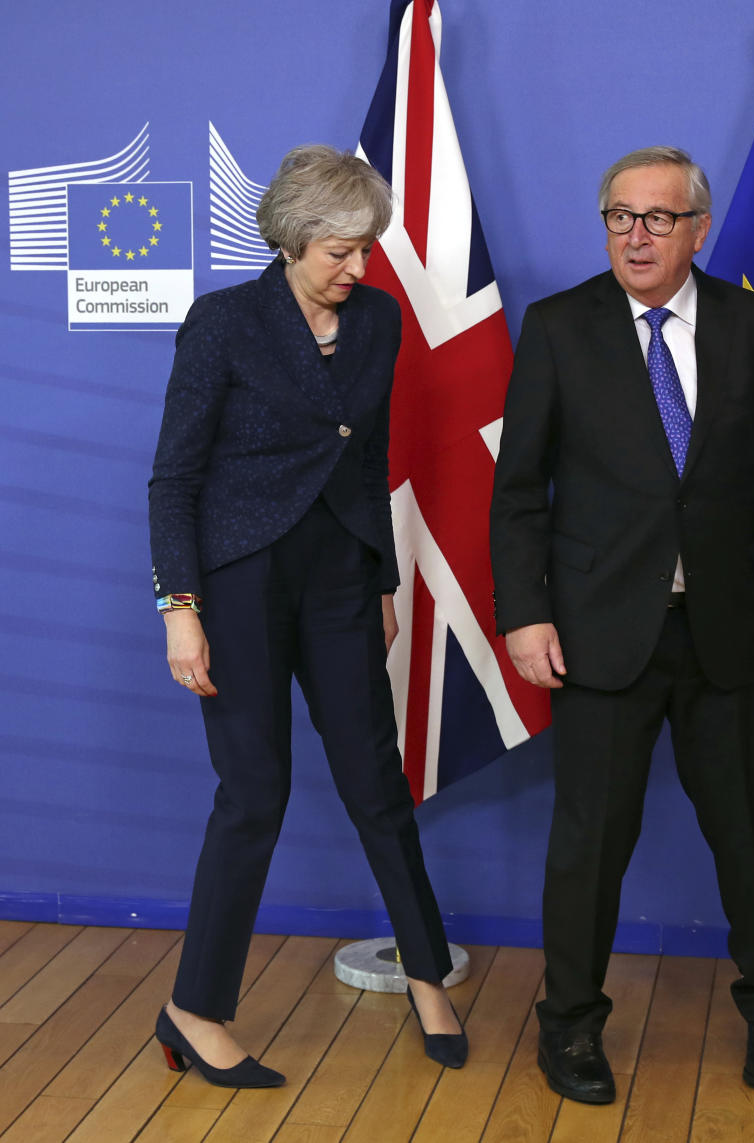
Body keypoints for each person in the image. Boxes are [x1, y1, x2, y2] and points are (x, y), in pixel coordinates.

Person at [490, 147, 754, 1104]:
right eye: (620, 216)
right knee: (588, 843)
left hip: (722, 627)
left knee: (749, 835)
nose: (636, 235)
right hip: (596, 633)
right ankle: (571, 1030)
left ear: (697, 230)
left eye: (658, 219)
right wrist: (526, 615)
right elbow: (518, 497)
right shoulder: (558, 328)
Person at [148, 144, 466, 1088]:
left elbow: (366, 461)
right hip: (238, 583)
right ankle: (193, 1009)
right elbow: (175, 478)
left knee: (376, 780)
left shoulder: (377, 322)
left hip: (340, 578)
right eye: (338, 252)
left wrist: (382, 583)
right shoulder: (224, 323)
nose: (358, 271)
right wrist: (180, 609)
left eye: (365, 250)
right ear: (289, 240)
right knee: (254, 796)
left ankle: (427, 973)